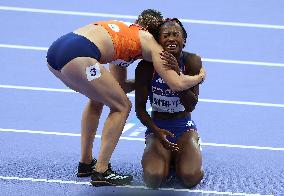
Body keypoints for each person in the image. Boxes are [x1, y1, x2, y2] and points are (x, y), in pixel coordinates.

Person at [46, 8, 205, 186]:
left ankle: (85, 163)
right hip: (79, 55)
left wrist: (143, 83)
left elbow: (117, 87)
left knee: (98, 99)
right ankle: (101, 171)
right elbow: (176, 84)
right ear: (155, 34)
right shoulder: (151, 42)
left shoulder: (126, 34)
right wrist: (199, 76)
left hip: (56, 54)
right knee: (122, 107)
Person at [135, 18, 204, 189]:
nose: (171, 38)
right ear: (158, 42)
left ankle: (188, 149)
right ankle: (167, 156)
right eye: (165, 35)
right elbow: (140, 109)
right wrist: (156, 132)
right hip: (158, 127)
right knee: (153, 178)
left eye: (176, 34)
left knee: (190, 178)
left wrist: (177, 74)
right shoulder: (146, 67)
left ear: (184, 40)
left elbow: (191, 105)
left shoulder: (192, 62)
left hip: (184, 127)